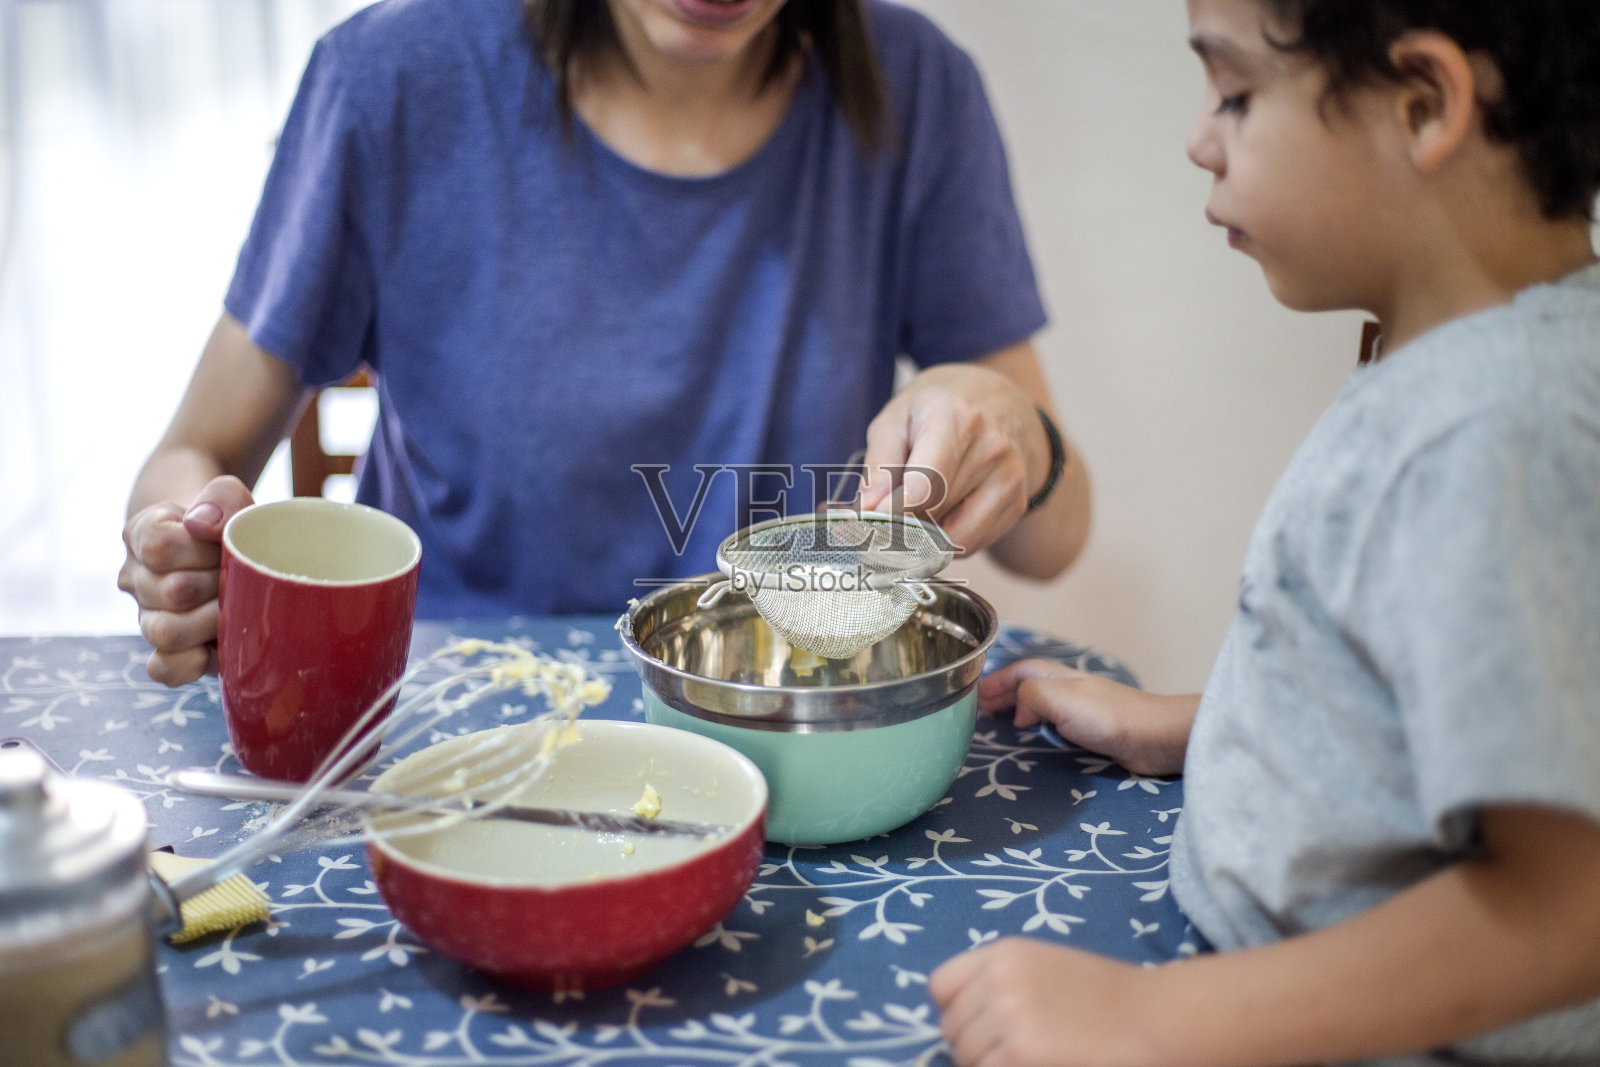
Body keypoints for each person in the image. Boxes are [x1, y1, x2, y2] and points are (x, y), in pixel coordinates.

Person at [931, 0, 1600, 1063]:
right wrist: (1195, 723)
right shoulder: (1464, 366)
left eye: (1235, 95)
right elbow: (1431, 714)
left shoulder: (1493, 430)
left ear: (1425, 104)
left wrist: (1154, 1019)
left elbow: (1564, 906)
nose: (1199, 140)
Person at [119, 0, 1091, 687]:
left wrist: (1020, 433)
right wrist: (182, 550)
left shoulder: (914, 87)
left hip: (779, 718)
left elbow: (1054, 538)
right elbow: (188, 455)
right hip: (439, 717)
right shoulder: (392, 79)